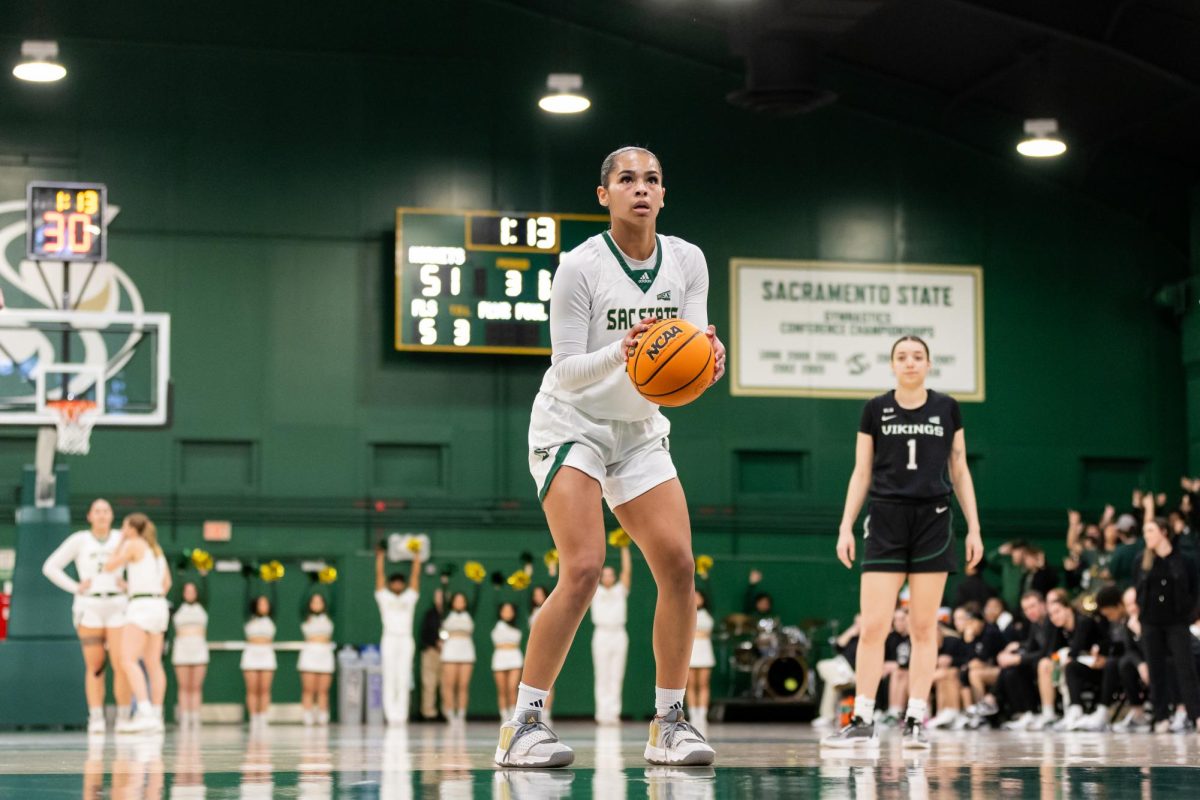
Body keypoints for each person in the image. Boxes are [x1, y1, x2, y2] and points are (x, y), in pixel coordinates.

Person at [495, 146, 724, 769]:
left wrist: (707, 364)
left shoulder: (688, 260)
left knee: (678, 565)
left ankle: (669, 723)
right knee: (585, 567)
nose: (641, 189)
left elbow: (690, 349)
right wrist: (623, 354)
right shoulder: (580, 267)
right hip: (572, 421)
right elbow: (565, 372)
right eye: (627, 179)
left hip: (639, 427)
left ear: (663, 193)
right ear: (605, 195)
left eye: (652, 178)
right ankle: (525, 724)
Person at [823, 335, 983, 750]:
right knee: (873, 626)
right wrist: (845, 525)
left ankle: (915, 717)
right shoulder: (875, 409)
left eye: (917, 357)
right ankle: (862, 716)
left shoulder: (947, 407)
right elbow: (861, 471)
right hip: (886, 519)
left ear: (929, 364)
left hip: (933, 518)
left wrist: (975, 528)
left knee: (923, 627)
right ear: (892, 365)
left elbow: (960, 469)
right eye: (902, 357)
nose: (910, 363)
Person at [41, 498, 131, 733]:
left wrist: (130, 584)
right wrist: (75, 587)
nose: (102, 515)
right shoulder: (79, 540)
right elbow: (50, 566)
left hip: (117, 604)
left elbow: (146, 564)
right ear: (89, 516)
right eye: (97, 511)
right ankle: (97, 717)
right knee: (95, 665)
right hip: (89, 605)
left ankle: (123, 717)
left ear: (112, 516)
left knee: (122, 664)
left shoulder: (122, 538)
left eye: (106, 511)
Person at [104, 513, 171, 733]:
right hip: (159, 605)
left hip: (141, 607)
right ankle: (157, 715)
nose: (121, 529)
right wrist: (132, 587)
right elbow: (166, 583)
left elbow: (109, 566)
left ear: (132, 528)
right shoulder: (156, 550)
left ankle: (144, 711)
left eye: (124, 526)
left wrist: (121, 541)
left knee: (127, 659)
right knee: (153, 662)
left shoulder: (132, 543)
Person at [1134, 514, 1200, 731]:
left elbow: (1194, 589)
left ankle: (1196, 715)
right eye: (1144, 532)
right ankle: (1161, 716)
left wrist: (1190, 614)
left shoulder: (1184, 560)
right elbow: (1140, 590)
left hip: (1176, 622)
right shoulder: (1142, 561)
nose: (1146, 536)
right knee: (1156, 669)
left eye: (1150, 531)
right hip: (1151, 622)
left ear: (1164, 532)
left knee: (1185, 668)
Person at [375, 543, 422, 725]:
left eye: (399, 582)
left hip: (405, 639)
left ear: (402, 584)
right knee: (389, 675)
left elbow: (415, 578)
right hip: (389, 638)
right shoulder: (384, 598)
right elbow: (379, 577)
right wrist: (380, 558)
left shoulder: (409, 598)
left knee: (403, 676)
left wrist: (416, 559)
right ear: (390, 584)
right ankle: (390, 715)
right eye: (393, 582)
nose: (397, 584)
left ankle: (401, 715)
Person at [591, 544, 632, 725]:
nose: (608, 577)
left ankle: (614, 713)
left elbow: (627, 572)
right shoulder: (595, 591)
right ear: (600, 577)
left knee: (617, 674)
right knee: (602, 674)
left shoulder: (619, 591)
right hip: (601, 634)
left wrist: (624, 546)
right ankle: (601, 713)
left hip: (619, 633)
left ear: (614, 577)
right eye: (604, 574)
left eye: (610, 574)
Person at [171, 578, 210, 728]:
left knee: (196, 686)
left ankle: (195, 716)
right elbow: (174, 592)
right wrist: (180, 574)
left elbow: (207, 592)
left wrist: (203, 575)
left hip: (199, 650)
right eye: (186, 591)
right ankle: (185, 716)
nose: (190, 594)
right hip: (182, 650)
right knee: (184, 686)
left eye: (192, 591)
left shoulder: (202, 607)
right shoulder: (179, 608)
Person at [440, 583, 481, 723]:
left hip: (466, 650)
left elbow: (477, 599)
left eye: (462, 600)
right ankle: (450, 713)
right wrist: (445, 582)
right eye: (456, 600)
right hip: (450, 649)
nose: (459, 603)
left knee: (463, 685)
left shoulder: (469, 615)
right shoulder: (447, 614)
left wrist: (477, 582)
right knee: (449, 684)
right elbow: (444, 599)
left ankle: (461, 713)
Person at [813, 616, 861, 729]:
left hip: (854, 673)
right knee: (822, 664)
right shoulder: (852, 637)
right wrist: (851, 631)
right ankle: (838, 680)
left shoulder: (869, 640)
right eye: (856, 622)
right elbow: (838, 646)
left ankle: (827, 716)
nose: (858, 624)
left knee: (832, 683)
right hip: (840, 668)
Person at [298, 592, 336, 726]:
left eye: (319, 602)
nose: (316, 604)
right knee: (309, 688)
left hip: (325, 654)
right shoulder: (305, 618)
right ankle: (307, 714)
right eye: (313, 602)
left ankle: (323, 714)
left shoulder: (329, 618)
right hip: (310, 653)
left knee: (323, 689)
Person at [241, 593, 276, 730]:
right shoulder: (249, 618)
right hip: (251, 653)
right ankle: (253, 717)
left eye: (266, 603)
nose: (263, 606)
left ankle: (263, 717)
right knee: (252, 688)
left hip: (267, 653)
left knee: (264, 688)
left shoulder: (271, 619)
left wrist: (273, 580)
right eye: (260, 603)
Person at [418, 580, 446, 721]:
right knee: (429, 683)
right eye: (438, 596)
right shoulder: (430, 614)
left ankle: (447, 712)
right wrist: (435, 643)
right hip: (431, 652)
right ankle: (428, 712)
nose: (440, 600)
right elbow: (424, 633)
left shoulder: (450, 615)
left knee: (446, 685)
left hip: (448, 654)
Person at [686, 589, 715, 722]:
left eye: (699, 597)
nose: (696, 599)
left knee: (703, 683)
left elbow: (706, 633)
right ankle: (693, 713)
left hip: (704, 651)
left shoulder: (707, 614)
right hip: (690, 651)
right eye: (694, 596)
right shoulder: (685, 612)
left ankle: (702, 714)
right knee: (690, 684)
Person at [492, 602, 524, 720]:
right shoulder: (496, 625)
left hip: (514, 658)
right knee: (502, 690)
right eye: (504, 610)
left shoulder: (518, 626)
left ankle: (513, 715)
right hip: (499, 658)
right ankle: (504, 716)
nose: (507, 613)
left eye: (510, 610)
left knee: (512, 688)